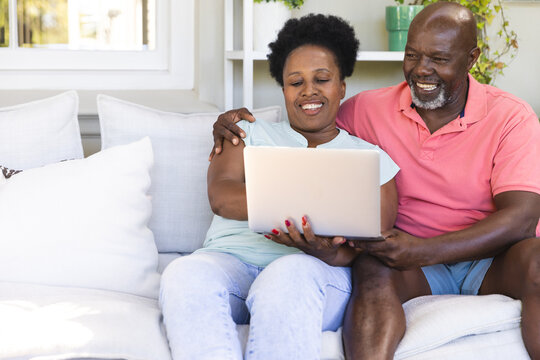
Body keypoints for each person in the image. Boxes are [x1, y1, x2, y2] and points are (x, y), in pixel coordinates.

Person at [210, 3, 540, 359]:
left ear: (471, 58)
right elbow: (312, 120)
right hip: (410, 266)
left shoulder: (510, 116)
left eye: (439, 59)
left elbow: (521, 219)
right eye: (412, 55)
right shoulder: (364, 110)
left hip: (492, 261)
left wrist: (423, 249)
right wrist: (230, 124)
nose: (421, 70)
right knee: (370, 267)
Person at [159, 14, 399, 360]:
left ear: (342, 86)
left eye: (322, 79)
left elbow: (373, 243)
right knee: (183, 272)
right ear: (284, 89)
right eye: (295, 82)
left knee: (288, 273)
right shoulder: (246, 133)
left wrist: (324, 250)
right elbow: (222, 197)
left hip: (315, 273)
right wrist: (312, 209)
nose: (309, 91)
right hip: (230, 264)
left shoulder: (372, 160)